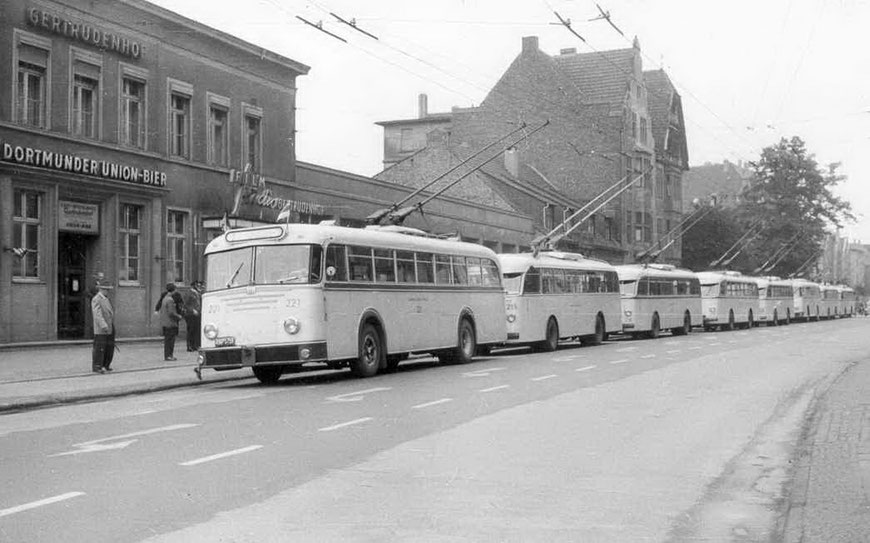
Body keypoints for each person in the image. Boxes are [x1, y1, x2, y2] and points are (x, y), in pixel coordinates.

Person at [91, 276, 115, 374]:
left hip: (109, 327)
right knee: (100, 348)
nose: (108, 291)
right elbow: (97, 314)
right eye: (106, 289)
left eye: (108, 289)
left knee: (109, 347)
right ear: (101, 289)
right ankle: (97, 366)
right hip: (101, 329)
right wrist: (103, 325)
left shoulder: (106, 299)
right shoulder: (97, 299)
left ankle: (105, 365)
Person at [158, 283, 182, 361]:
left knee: (167, 340)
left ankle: (167, 355)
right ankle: (169, 355)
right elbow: (171, 312)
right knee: (170, 340)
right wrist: (178, 316)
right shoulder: (170, 300)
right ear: (173, 290)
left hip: (165, 322)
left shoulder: (165, 298)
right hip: (170, 323)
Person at [185, 281, 203, 351]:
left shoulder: (197, 293)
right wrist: (192, 310)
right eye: (197, 285)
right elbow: (186, 304)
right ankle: (189, 345)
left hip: (197, 313)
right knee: (191, 330)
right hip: (190, 314)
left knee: (196, 330)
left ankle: (195, 345)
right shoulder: (189, 293)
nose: (198, 287)